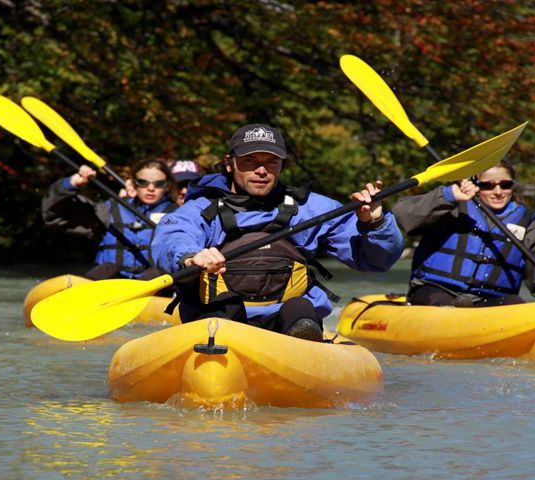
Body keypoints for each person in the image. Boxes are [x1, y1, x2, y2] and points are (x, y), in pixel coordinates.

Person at [152, 123, 404, 341]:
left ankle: (303, 343)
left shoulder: (313, 209)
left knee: (300, 309)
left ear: (282, 165)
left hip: (289, 321)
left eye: (271, 161)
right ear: (230, 164)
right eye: (250, 160)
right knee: (219, 313)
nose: (261, 170)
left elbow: (377, 261)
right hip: (223, 318)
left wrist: (374, 224)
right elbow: (173, 236)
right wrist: (189, 256)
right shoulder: (200, 210)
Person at [392, 160, 535, 307]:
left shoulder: (528, 224)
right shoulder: (452, 206)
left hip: (490, 300)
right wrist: (448, 196)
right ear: (476, 185)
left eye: (505, 185)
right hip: (436, 291)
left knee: (516, 305)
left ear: (512, 186)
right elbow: (403, 214)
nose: (498, 191)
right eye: (488, 185)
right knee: (444, 307)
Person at [43, 158, 178, 281]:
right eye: (142, 182)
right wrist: (71, 183)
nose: (151, 188)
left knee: (157, 273)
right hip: (111, 284)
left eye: (159, 183)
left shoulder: (178, 214)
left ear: (167, 185)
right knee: (107, 269)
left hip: (153, 289)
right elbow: (54, 216)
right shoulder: (109, 210)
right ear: (132, 184)